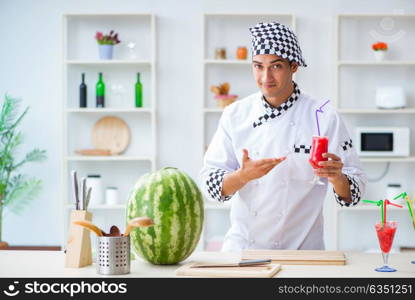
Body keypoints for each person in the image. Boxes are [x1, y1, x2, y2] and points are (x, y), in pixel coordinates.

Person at [199, 22, 367, 251]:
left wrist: (337, 177)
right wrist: (242, 176)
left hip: (304, 254)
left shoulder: (324, 115)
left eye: (276, 66)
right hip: (242, 252)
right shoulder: (234, 115)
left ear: (294, 66)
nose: (265, 76)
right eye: (258, 66)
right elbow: (211, 188)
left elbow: (354, 193)